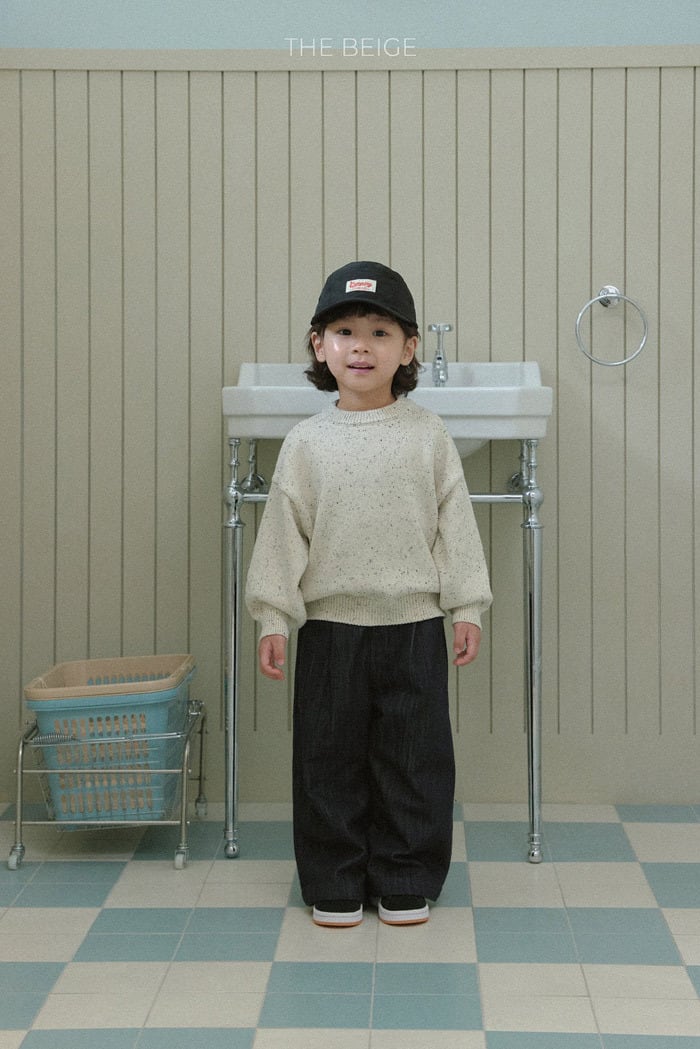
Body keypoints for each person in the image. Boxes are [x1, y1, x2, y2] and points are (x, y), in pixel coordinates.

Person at [245, 261, 492, 928]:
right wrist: (273, 618)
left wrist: (466, 606)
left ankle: (406, 876)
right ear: (319, 345)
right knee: (327, 759)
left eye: (380, 332)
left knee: (413, 760)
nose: (361, 346)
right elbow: (282, 536)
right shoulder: (306, 443)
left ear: (408, 349)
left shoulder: (428, 434)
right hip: (330, 629)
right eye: (345, 332)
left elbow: (455, 525)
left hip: (414, 625)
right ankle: (334, 878)